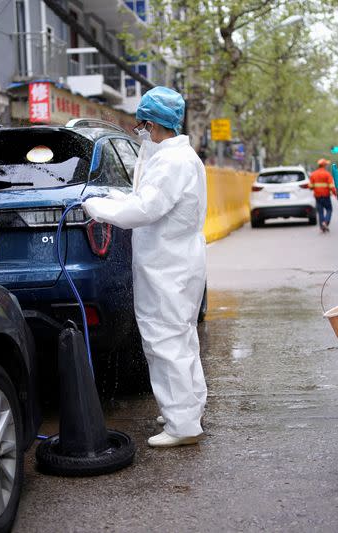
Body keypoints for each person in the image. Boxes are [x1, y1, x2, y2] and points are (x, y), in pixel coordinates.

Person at [82, 87, 208, 448]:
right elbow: (146, 198)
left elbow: (144, 210)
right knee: (181, 337)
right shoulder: (179, 157)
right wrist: (112, 197)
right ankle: (187, 408)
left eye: (141, 125)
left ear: (153, 124)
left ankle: (182, 425)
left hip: (166, 265)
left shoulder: (171, 162)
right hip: (178, 261)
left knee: (164, 341)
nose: (139, 130)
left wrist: (97, 208)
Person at [309, 158, 337, 232]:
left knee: (320, 211)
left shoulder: (313, 174)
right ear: (324, 165)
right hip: (326, 196)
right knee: (329, 209)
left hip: (317, 196)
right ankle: (326, 222)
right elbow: (331, 186)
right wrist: (336, 195)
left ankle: (322, 225)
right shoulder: (327, 174)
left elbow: (310, 187)